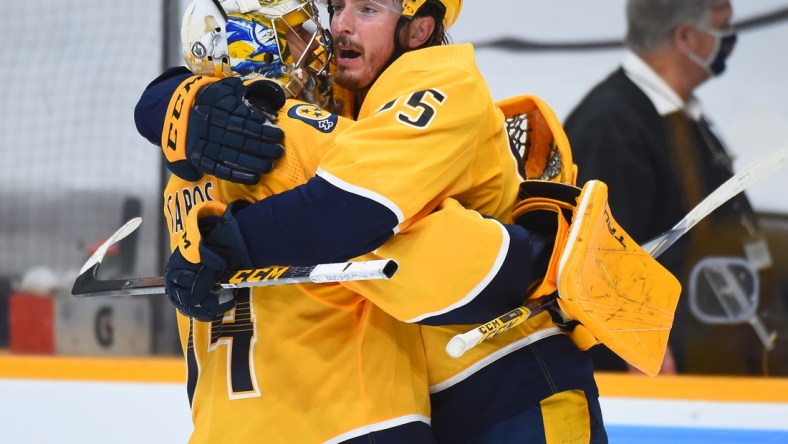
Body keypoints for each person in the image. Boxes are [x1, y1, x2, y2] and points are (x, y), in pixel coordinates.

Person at [140, 1, 611, 442]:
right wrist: (176, 97)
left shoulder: (444, 82)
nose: (338, 25)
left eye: (366, 8)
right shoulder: (341, 105)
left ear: (419, 29)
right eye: (337, 6)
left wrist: (224, 248)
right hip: (429, 397)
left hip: (514, 383)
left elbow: (350, 209)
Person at [564, 0, 770, 375]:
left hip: (717, 347)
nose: (730, 40)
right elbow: (599, 258)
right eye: (723, 27)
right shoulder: (610, 125)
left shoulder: (683, 117)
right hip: (665, 371)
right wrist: (640, 347)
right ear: (686, 37)